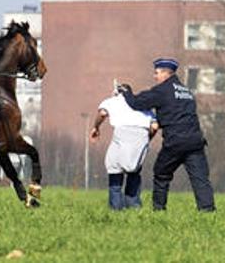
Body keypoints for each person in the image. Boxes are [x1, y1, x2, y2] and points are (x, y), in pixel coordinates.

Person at [120, 58, 216, 212]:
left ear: (166, 73)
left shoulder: (163, 90)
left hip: (175, 142)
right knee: (200, 179)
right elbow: (176, 111)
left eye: (156, 73)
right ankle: (208, 212)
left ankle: (158, 210)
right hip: (195, 141)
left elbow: (137, 103)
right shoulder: (186, 91)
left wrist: (126, 92)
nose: (154, 76)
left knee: (161, 173)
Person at [90, 84, 158, 210]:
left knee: (114, 168)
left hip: (122, 133)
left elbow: (103, 113)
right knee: (134, 170)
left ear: (117, 92)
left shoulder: (113, 101)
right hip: (141, 134)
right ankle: (134, 206)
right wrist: (147, 140)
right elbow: (154, 126)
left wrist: (96, 127)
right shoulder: (140, 103)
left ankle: (115, 208)